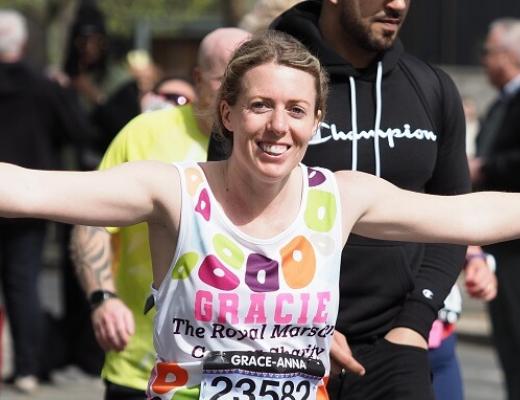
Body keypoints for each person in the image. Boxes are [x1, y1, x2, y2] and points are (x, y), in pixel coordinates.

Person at [1, 31, 520, 400]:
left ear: (316, 122)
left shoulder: (338, 198)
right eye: (260, 106)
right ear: (227, 113)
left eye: (296, 110)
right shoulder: (176, 191)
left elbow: (473, 215)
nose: (278, 126)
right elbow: (27, 188)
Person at [268, 1, 470, 399]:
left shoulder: (431, 87)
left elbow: (455, 218)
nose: (397, 4)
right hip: (283, 340)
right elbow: (230, 211)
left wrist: (415, 323)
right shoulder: (271, 84)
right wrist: (299, 322)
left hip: (395, 344)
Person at [69, 27, 250, 400]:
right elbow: (92, 221)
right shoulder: (144, 134)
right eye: (224, 80)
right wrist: (103, 299)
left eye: (246, 80)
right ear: (198, 79)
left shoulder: (267, 145)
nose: (236, 94)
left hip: (243, 373)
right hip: (143, 369)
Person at [0, 9, 92, 393]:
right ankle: (27, 368)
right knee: (24, 285)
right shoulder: (44, 86)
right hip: (30, 200)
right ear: (21, 42)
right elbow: (77, 130)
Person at [469, 18, 520, 400]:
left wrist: (485, 167)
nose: (484, 62)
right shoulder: (501, 102)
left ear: (509, 56)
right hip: (497, 247)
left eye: (488, 53)